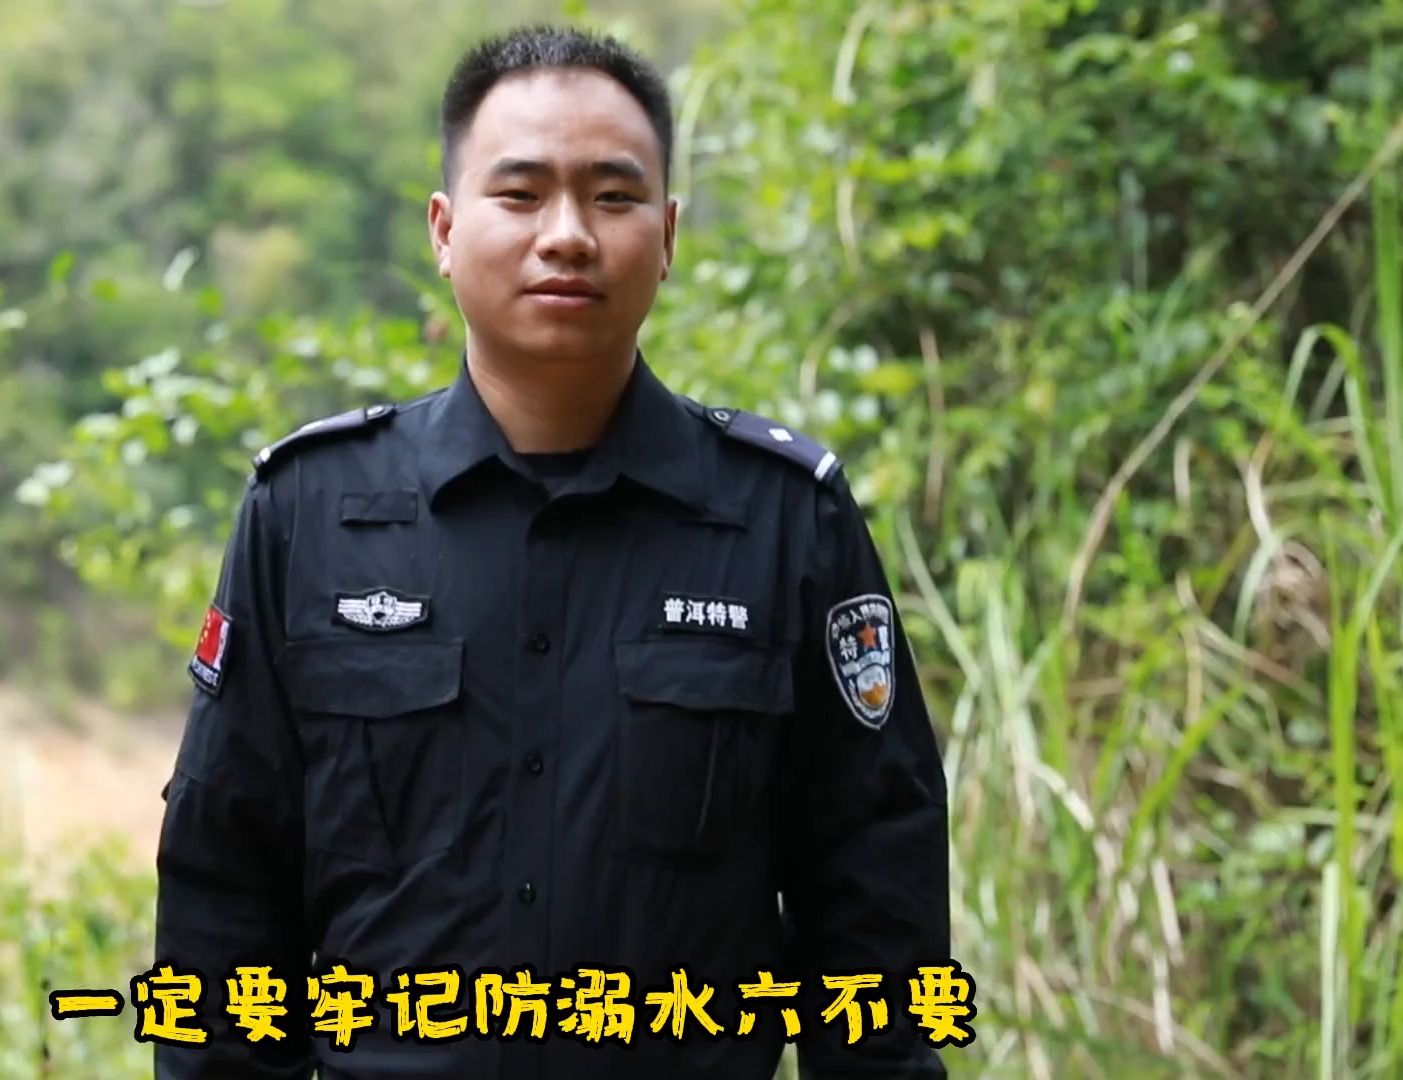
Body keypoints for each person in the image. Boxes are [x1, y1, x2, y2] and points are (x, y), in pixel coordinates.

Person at [153, 23, 953, 1080]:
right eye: (521, 194)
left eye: (613, 197)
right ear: (445, 230)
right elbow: (223, 891)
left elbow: (875, 896)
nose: (567, 235)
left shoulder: (783, 520)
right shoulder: (310, 513)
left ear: (668, 236)